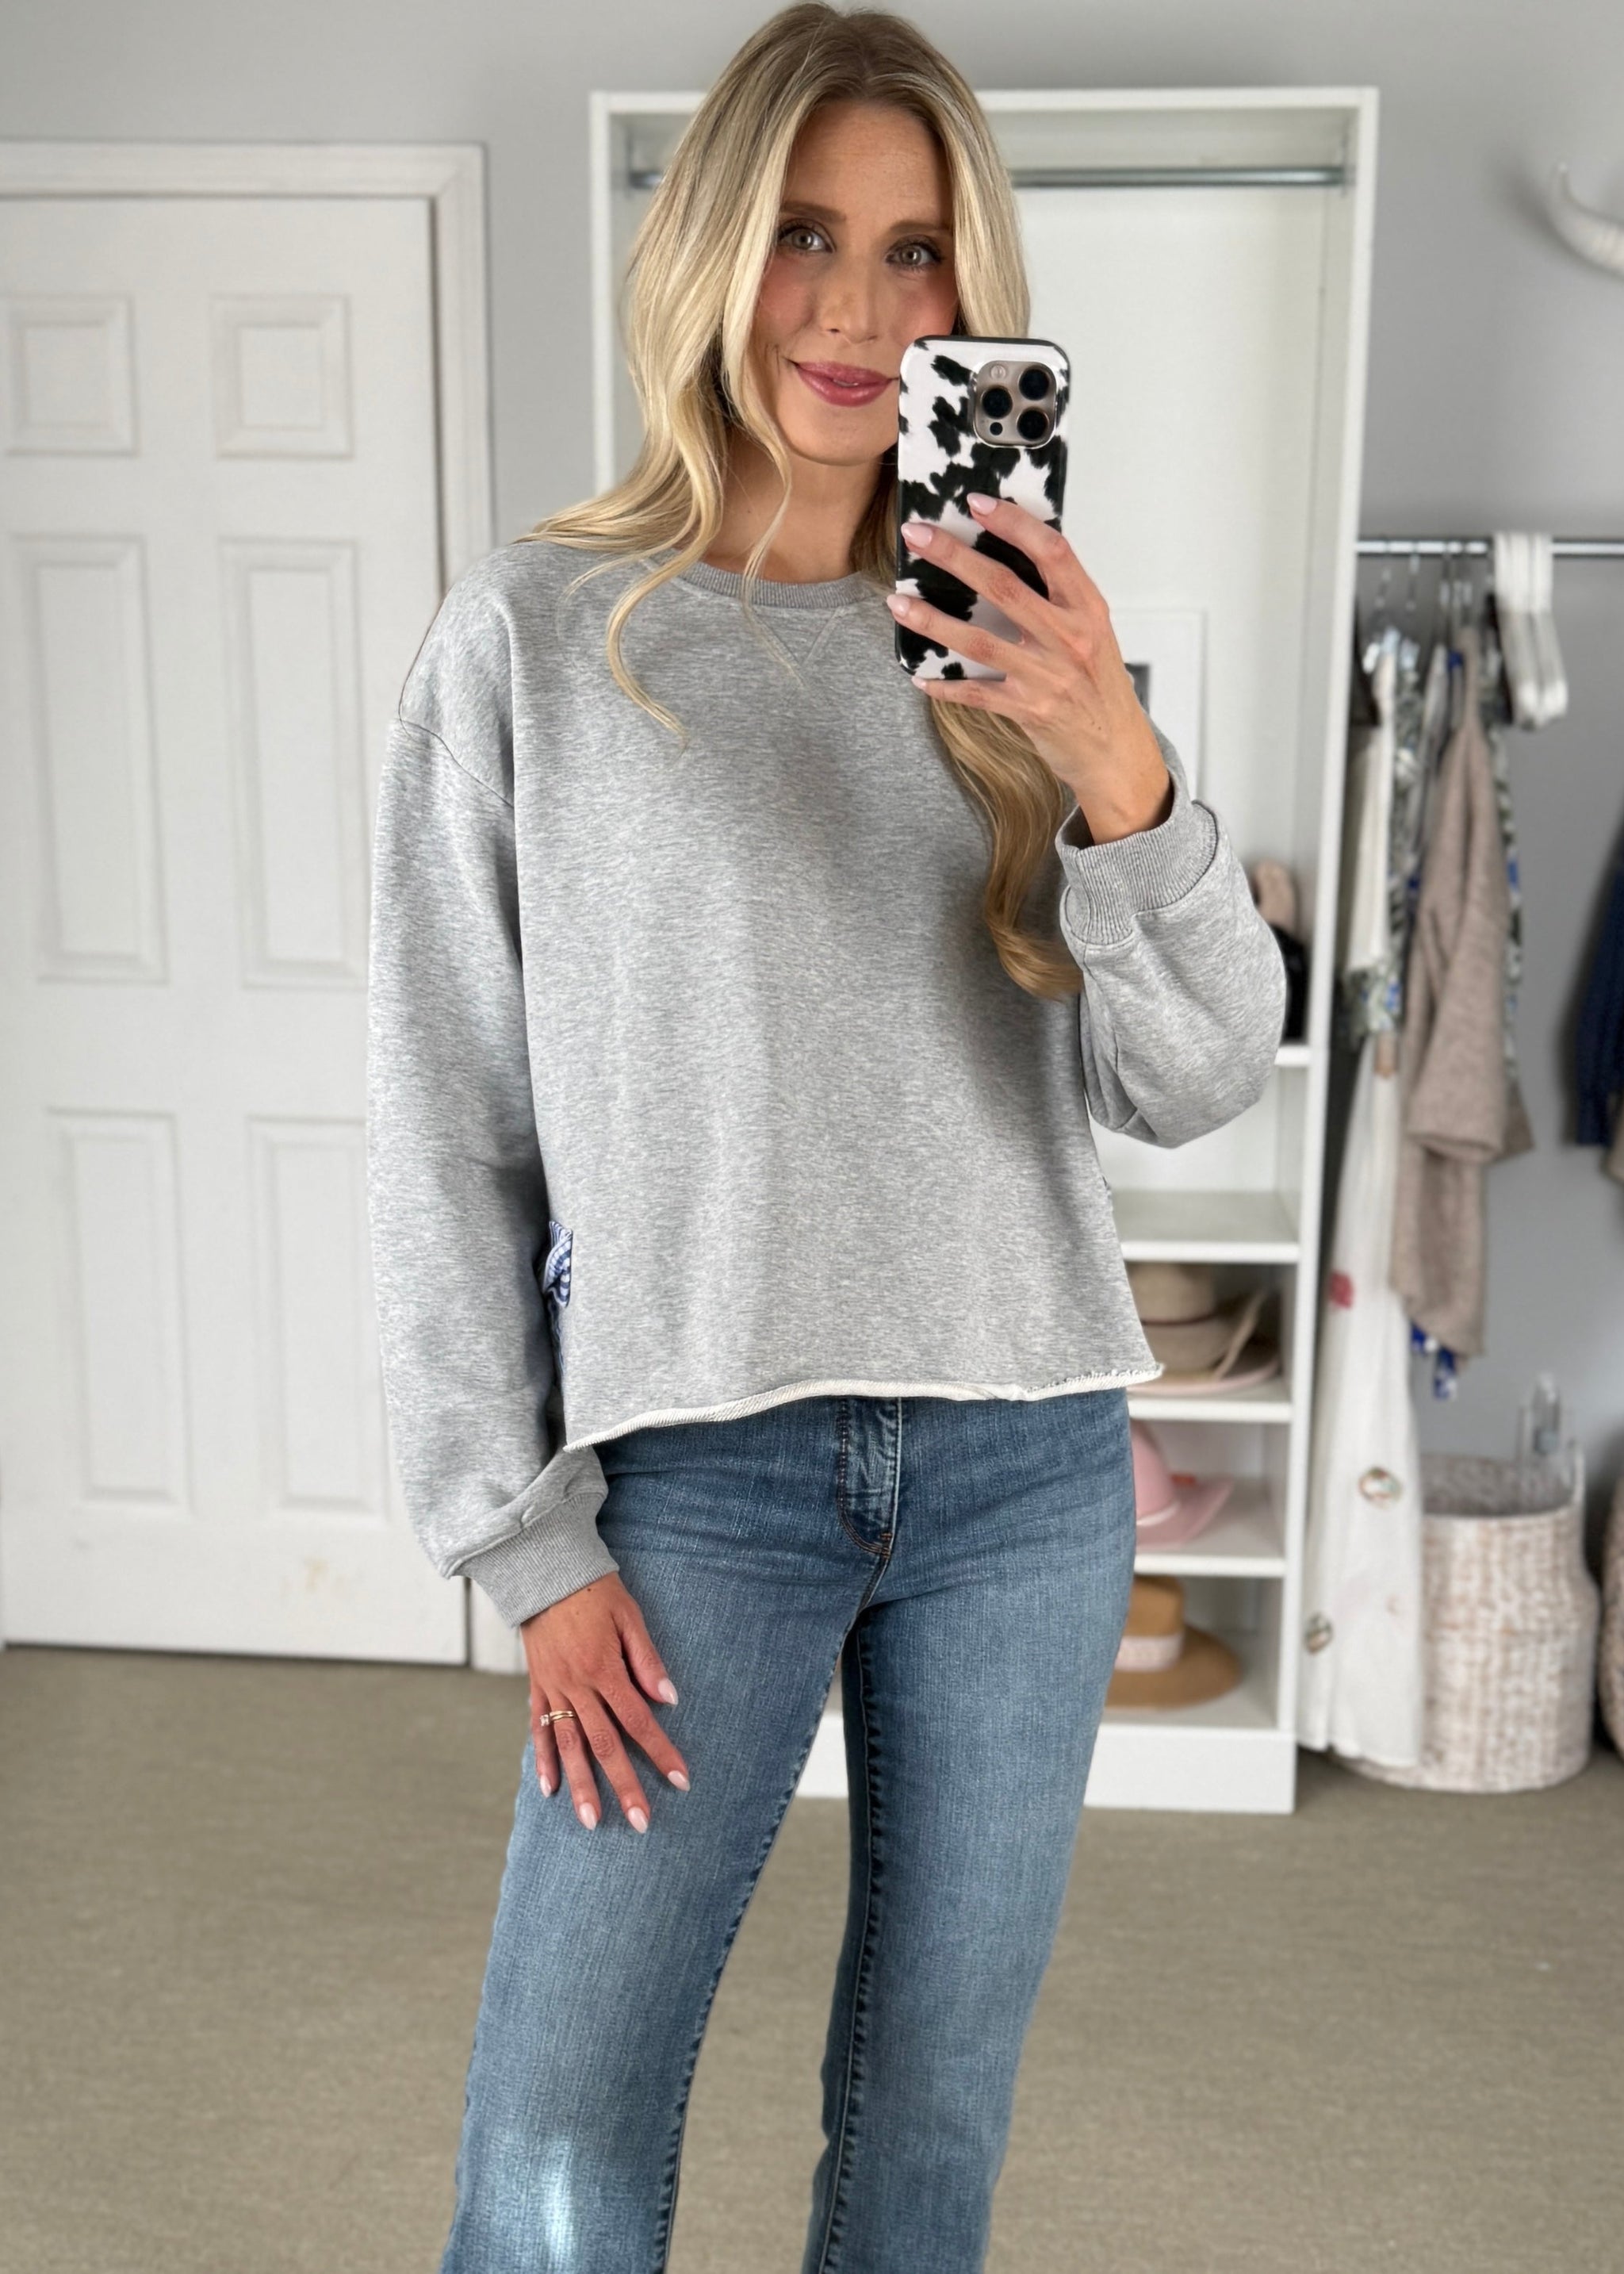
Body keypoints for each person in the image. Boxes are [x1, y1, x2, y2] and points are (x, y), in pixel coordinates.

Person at [365, 7, 1287, 2268]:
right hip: (699, 1469)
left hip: (1026, 1470)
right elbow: (447, 1122)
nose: (856, 312)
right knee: (562, 2135)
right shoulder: (536, 638)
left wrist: (1117, 763)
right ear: (709, 248)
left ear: (977, 293)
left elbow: (1194, 1076)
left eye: (914, 251)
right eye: (801, 235)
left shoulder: (1029, 652)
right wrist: (520, 1538)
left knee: (928, 2123)